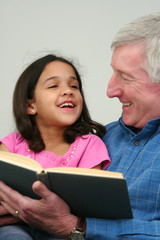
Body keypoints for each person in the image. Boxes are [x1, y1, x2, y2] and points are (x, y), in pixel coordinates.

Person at [1, 12, 160, 240]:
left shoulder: (90, 145)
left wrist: (75, 226)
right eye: (113, 72)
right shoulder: (109, 135)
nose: (109, 91)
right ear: (30, 105)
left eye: (126, 77)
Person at [0, 54, 110, 239]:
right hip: (15, 227)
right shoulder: (12, 143)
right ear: (30, 106)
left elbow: (90, 202)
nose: (68, 91)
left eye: (74, 86)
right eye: (53, 86)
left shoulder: (90, 145)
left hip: (60, 231)